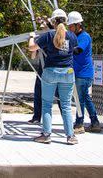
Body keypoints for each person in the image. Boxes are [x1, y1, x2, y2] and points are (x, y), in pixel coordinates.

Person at [28, 9, 79, 145]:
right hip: (68, 73)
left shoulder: (49, 35)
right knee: (66, 105)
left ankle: (46, 135)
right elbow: (73, 49)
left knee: (46, 105)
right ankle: (70, 136)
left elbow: (32, 48)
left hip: (51, 72)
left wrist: (32, 37)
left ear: (53, 22)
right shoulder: (72, 36)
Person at [67, 11, 101, 133]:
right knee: (86, 98)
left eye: (71, 26)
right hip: (80, 73)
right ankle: (95, 123)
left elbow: (78, 50)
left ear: (78, 25)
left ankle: (79, 125)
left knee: (79, 99)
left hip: (83, 74)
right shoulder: (74, 36)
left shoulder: (84, 37)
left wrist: (65, 49)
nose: (69, 28)